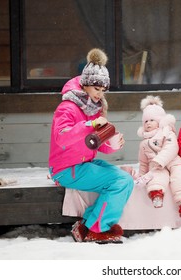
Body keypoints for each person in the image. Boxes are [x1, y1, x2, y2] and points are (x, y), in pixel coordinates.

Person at [48, 48, 134, 243]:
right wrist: (89, 124)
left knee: (125, 179)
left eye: (103, 90)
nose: (100, 94)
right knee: (120, 182)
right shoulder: (67, 107)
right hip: (66, 169)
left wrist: (112, 144)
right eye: (97, 89)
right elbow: (62, 137)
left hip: (84, 163)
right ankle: (97, 229)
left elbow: (95, 143)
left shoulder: (94, 108)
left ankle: (87, 225)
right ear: (85, 85)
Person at [137, 95, 181, 217]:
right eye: (145, 121)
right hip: (156, 166)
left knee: (180, 174)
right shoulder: (144, 143)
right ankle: (156, 194)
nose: (148, 123)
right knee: (155, 174)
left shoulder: (166, 132)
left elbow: (171, 147)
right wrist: (141, 176)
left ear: (159, 121)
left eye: (151, 120)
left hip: (173, 161)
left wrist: (159, 159)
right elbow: (143, 163)